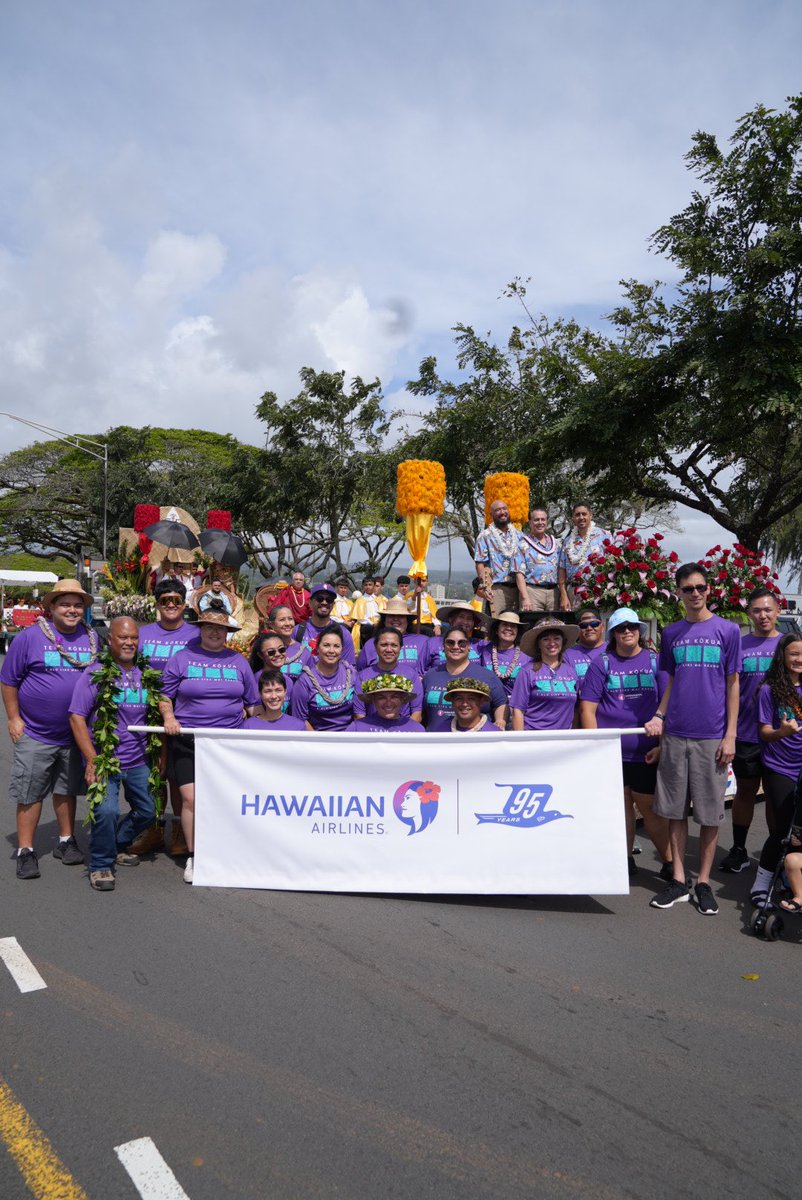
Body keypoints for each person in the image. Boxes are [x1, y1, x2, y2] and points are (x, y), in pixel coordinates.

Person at [644, 562, 741, 915]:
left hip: (712, 736)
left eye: (701, 587)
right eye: (688, 588)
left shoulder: (728, 630)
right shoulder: (671, 633)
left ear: (709, 589)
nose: (695, 593)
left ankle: (703, 882)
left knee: (710, 815)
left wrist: (730, 735)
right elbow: (670, 681)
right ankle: (679, 880)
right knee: (675, 811)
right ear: (679, 593)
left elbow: (733, 684)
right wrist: (660, 717)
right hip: (675, 735)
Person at [2, 577, 100, 880]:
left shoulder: (93, 639)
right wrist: (14, 718)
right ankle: (26, 850)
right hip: (36, 732)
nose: (71, 610)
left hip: (76, 734)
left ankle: (66, 840)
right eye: (65, 604)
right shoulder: (29, 638)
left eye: (77, 605)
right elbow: (9, 680)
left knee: (66, 790)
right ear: (52, 607)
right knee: (30, 792)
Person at [159, 609, 259, 884]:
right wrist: (169, 717)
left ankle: (225, 851)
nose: (215, 632)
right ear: (200, 629)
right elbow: (165, 695)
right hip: (188, 740)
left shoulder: (238, 661)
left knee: (225, 799)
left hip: (228, 744)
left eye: (220, 628)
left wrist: (263, 727)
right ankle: (194, 855)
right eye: (209, 627)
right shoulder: (181, 658)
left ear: (227, 633)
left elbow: (252, 704)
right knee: (191, 800)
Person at [69, 618, 163, 892]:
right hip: (105, 760)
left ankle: (117, 844)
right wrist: (92, 758)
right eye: (123, 637)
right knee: (107, 810)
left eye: (133, 638)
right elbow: (76, 717)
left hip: (138, 759)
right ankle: (100, 864)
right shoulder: (96, 673)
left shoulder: (146, 674)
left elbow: (159, 708)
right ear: (110, 640)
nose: (129, 643)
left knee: (148, 810)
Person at [580, 607, 672, 880]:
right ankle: (625, 858)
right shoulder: (602, 663)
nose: (627, 632)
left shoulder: (654, 660)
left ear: (640, 631)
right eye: (621, 628)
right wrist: (596, 748)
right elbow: (588, 709)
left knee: (650, 810)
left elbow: (668, 705)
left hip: (647, 752)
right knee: (620, 809)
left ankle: (669, 863)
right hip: (611, 752)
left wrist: (663, 745)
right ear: (613, 634)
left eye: (632, 626)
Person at [719, 586, 782, 874]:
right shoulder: (739, 646)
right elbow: (727, 689)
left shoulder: (789, 646)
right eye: (756, 610)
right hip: (745, 733)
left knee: (775, 795)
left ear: (777, 610)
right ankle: (739, 850)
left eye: (768, 609)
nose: (763, 615)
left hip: (781, 736)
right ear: (749, 613)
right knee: (745, 791)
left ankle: (774, 854)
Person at [133, 577, 196, 857]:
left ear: (184, 604)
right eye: (165, 600)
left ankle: (181, 830)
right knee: (153, 773)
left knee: (176, 774)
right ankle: (155, 828)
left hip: (182, 714)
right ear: (157, 604)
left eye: (176, 600)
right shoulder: (143, 634)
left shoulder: (195, 634)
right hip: (145, 712)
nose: (171, 605)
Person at [749, 634, 802, 908]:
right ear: (782, 656)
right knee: (782, 829)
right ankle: (761, 884)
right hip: (780, 767)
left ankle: (791, 879)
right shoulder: (769, 689)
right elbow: (764, 733)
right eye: (794, 654)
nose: (799, 659)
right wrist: (783, 732)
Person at [422, 629, 506, 731]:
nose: (456, 646)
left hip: (476, 737)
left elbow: (501, 703)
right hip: (436, 737)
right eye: (450, 642)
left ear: (469, 646)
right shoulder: (430, 675)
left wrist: (500, 721)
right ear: (443, 646)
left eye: (461, 643)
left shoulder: (486, 676)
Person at [510, 618, 581, 730]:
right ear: (538, 644)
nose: (552, 643)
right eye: (546, 639)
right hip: (534, 736)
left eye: (556, 638)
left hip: (564, 738)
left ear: (563, 642)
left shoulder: (571, 672)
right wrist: (520, 739)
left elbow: (576, 710)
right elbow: (518, 710)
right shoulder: (527, 671)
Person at [291, 624, 357, 731]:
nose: (331, 650)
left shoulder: (352, 674)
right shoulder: (304, 682)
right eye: (326, 645)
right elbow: (300, 720)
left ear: (342, 649)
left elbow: (360, 712)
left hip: (350, 735)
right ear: (317, 648)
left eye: (336, 646)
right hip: (317, 737)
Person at [352, 628, 423, 722]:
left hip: (403, 728)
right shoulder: (363, 676)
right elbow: (359, 714)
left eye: (394, 645)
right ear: (375, 647)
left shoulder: (411, 674)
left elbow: (416, 713)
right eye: (384, 645)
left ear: (400, 647)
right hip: (371, 728)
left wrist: (404, 730)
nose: (389, 650)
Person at [474, 500, 528, 616]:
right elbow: (480, 563)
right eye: (498, 510)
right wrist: (485, 587)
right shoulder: (485, 536)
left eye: (504, 508)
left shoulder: (519, 535)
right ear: (491, 514)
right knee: (497, 622)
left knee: (517, 622)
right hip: (497, 588)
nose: (502, 512)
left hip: (518, 589)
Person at [356, 598, 432, 675]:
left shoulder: (424, 642)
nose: (396, 619)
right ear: (384, 620)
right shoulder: (371, 644)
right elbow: (360, 673)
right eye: (391, 616)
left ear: (408, 621)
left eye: (401, 616)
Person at [558, 503, 610, 610]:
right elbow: (562, 569)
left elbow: (613, 562)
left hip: (598, 590)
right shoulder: (567, 541)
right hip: (574, 592)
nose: (581, 517)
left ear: (591, 515)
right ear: (573, 518)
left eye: (584, 514)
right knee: (575, 620)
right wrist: (563, 595)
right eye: (577, 515)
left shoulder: (603, 535)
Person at [294, 584, 356, 664]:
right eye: (320, 599)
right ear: (310, 603)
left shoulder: (343, 633)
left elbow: (348, 666)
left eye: (329, 600)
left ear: (333, 605)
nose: (324, 602)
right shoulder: (297, 631)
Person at [515, 508, 561, 613]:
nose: (540, 522)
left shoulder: (556, 544)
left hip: (554, 593)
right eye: (536, 520)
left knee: (554, 623)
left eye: (543, 519)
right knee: (532, 622)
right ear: (530, 522)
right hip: (532, 592)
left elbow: (562, 570)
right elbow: (519, 573)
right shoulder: (522, 545)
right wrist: (525, 597)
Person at [478, 612, 530, 699]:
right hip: (487, 702)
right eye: (505, 624)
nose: (509, 628)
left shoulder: (527, 657)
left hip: (514, 704)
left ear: (518, 632)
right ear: (496, 629)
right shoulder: (483, 650)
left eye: (513, 626)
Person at [347, 674, 421, 732]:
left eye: (394, 697)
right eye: (381, 698)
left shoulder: (416, 729)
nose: (388, 703)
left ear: (402, 699)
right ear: (373, 700)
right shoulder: (356, 728)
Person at [429, 602, 488, 668]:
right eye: (461, 617)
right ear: (451, 619)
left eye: (469, 618)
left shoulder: (480, 645)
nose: (465, 622)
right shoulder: (432, 643)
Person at [248, 632, 295, 710]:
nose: (278, 654)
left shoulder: (288, 681)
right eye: (271, 652)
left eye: (281, 649)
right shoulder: (254, 681)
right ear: (260, 655)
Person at [563, 607, 606, 685]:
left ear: (602, 627)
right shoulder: (568, 655)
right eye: (584, 625)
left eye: (594, 624)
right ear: (578, 630)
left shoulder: (614, 649)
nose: (589, 628)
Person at [267, 605, 312, 679]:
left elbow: (311, 680)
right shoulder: (266, 650)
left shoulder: (304, 651)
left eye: (290, 619)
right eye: (282, 620)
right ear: (271, 624)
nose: (288, 623)